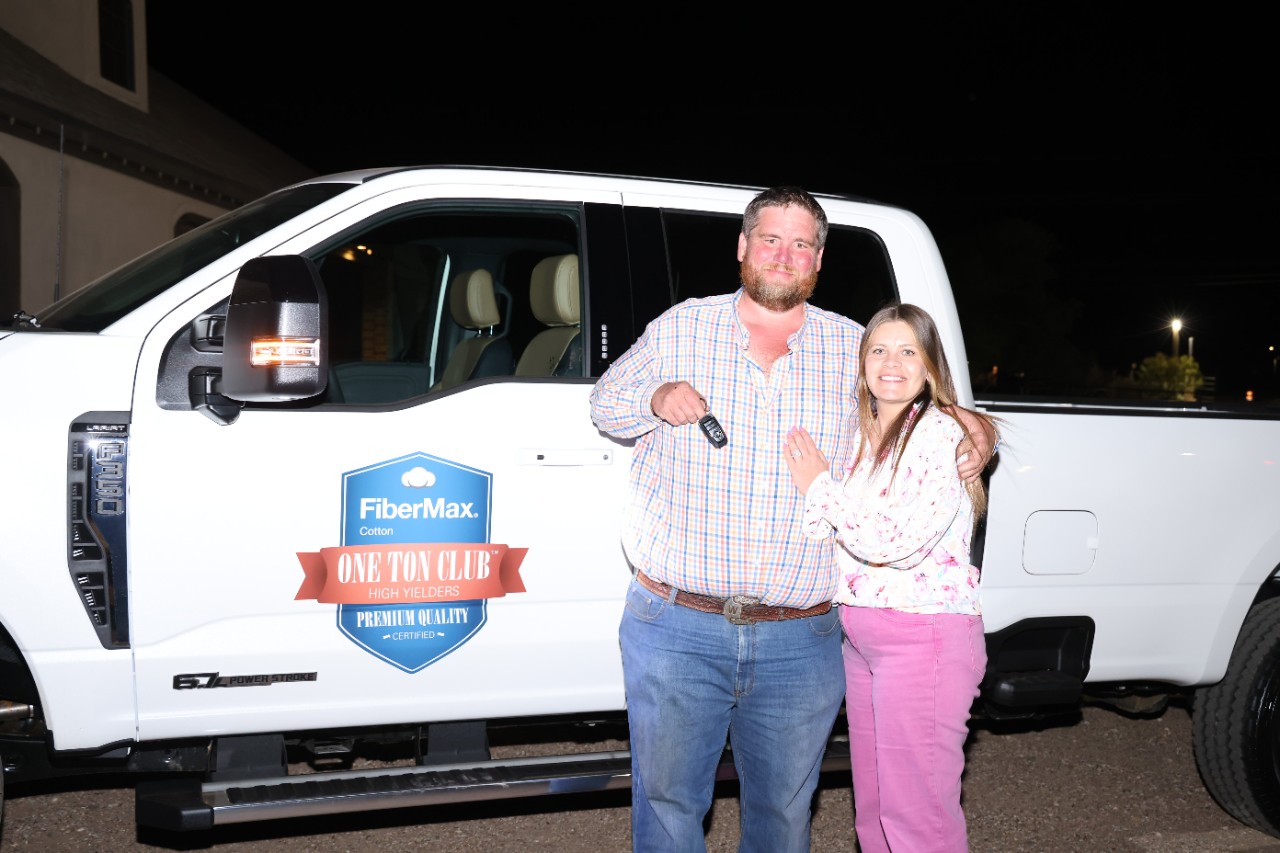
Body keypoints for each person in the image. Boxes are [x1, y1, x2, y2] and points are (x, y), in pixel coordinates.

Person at [589, 186, 996, 852]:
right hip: (676, 625)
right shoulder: (681, 327)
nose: (784, 255)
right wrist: (655, 395)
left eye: (801, 244)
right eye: (771, 239)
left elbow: (922, 397)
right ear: (744, 247)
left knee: (783, 815)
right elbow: (606, 402)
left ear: (818, 260)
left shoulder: (852, 348)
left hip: (801, 640)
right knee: (666, 806)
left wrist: (977, 434)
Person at [784, 302, 999, 853]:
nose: (892, 362)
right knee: (876, 811)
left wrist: (819, 486)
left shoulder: (937, 434)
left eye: (909, 351)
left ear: (930, 366)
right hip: (862, 639)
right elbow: (825, 530)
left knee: (918, 818)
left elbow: (896, 544)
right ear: (861, 364)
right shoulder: (861, 435)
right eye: (879, 349)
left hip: (923, 636)